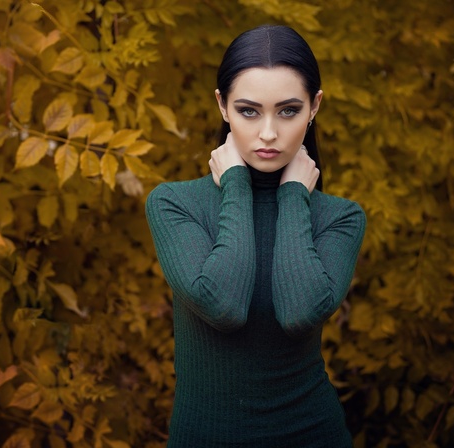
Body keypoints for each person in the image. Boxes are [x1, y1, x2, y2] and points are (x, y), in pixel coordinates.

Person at [145, 25, 366, 447]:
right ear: (222, 106)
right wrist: (236, 185)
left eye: (287, 111)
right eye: (249, 110)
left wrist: (294, 195)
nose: (268, 133)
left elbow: (299, 311)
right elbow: (223, 305)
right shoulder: (175, 204)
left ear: (314, 106)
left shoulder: (339, 217)